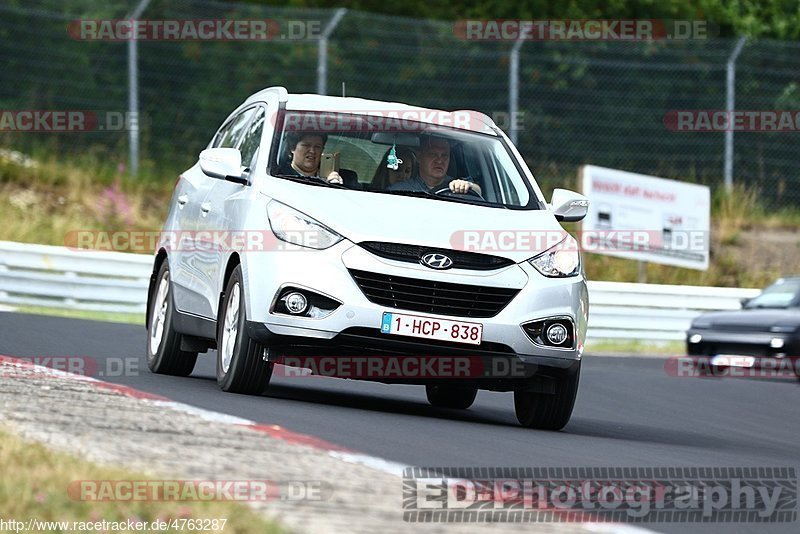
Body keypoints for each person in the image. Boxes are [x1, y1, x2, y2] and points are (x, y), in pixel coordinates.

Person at [388, 136, 481, 195]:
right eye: (433, 154)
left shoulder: (457, 186)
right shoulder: (400, 190)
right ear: (419, 157)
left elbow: (478, 191)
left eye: (444, 155)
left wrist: (467, 186)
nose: (440, 161)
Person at [278, 132, 343, 184]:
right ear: (292, 148)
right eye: (306, 145)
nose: (312, 151)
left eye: (317, 147)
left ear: (322, 150)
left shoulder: (340, 177)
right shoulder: (279, 176)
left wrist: (334, 186)